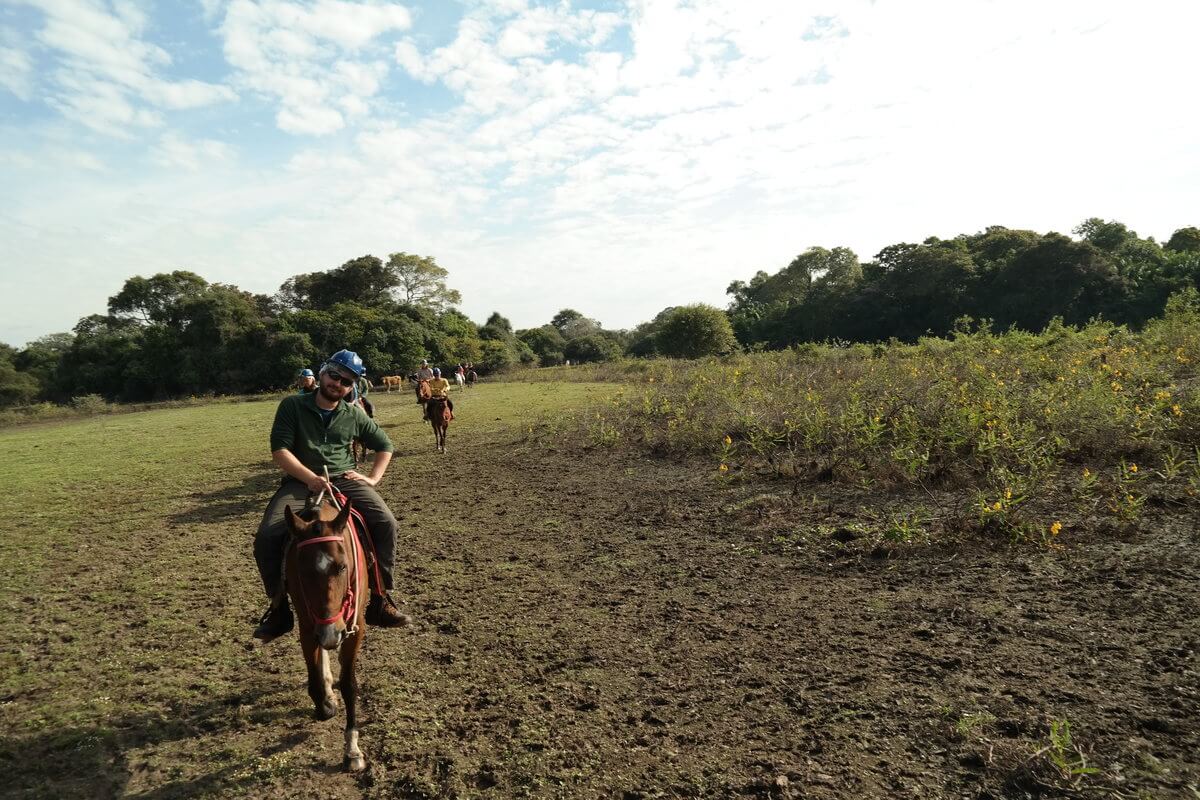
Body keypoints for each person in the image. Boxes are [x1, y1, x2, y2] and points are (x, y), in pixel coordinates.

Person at [253, 349, 409, 642]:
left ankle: (380, 598)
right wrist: (310, 478)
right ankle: (279, 608)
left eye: (347, 381)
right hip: (300, 482)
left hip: (343, 480)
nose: (338, 383)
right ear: (322, 373)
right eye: (334, 375)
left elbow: (385, 445)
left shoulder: (353, 414)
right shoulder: (292, 406)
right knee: (267, 537)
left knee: (387, 523)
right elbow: (280, 451)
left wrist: (372, 478)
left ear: (352, 387)